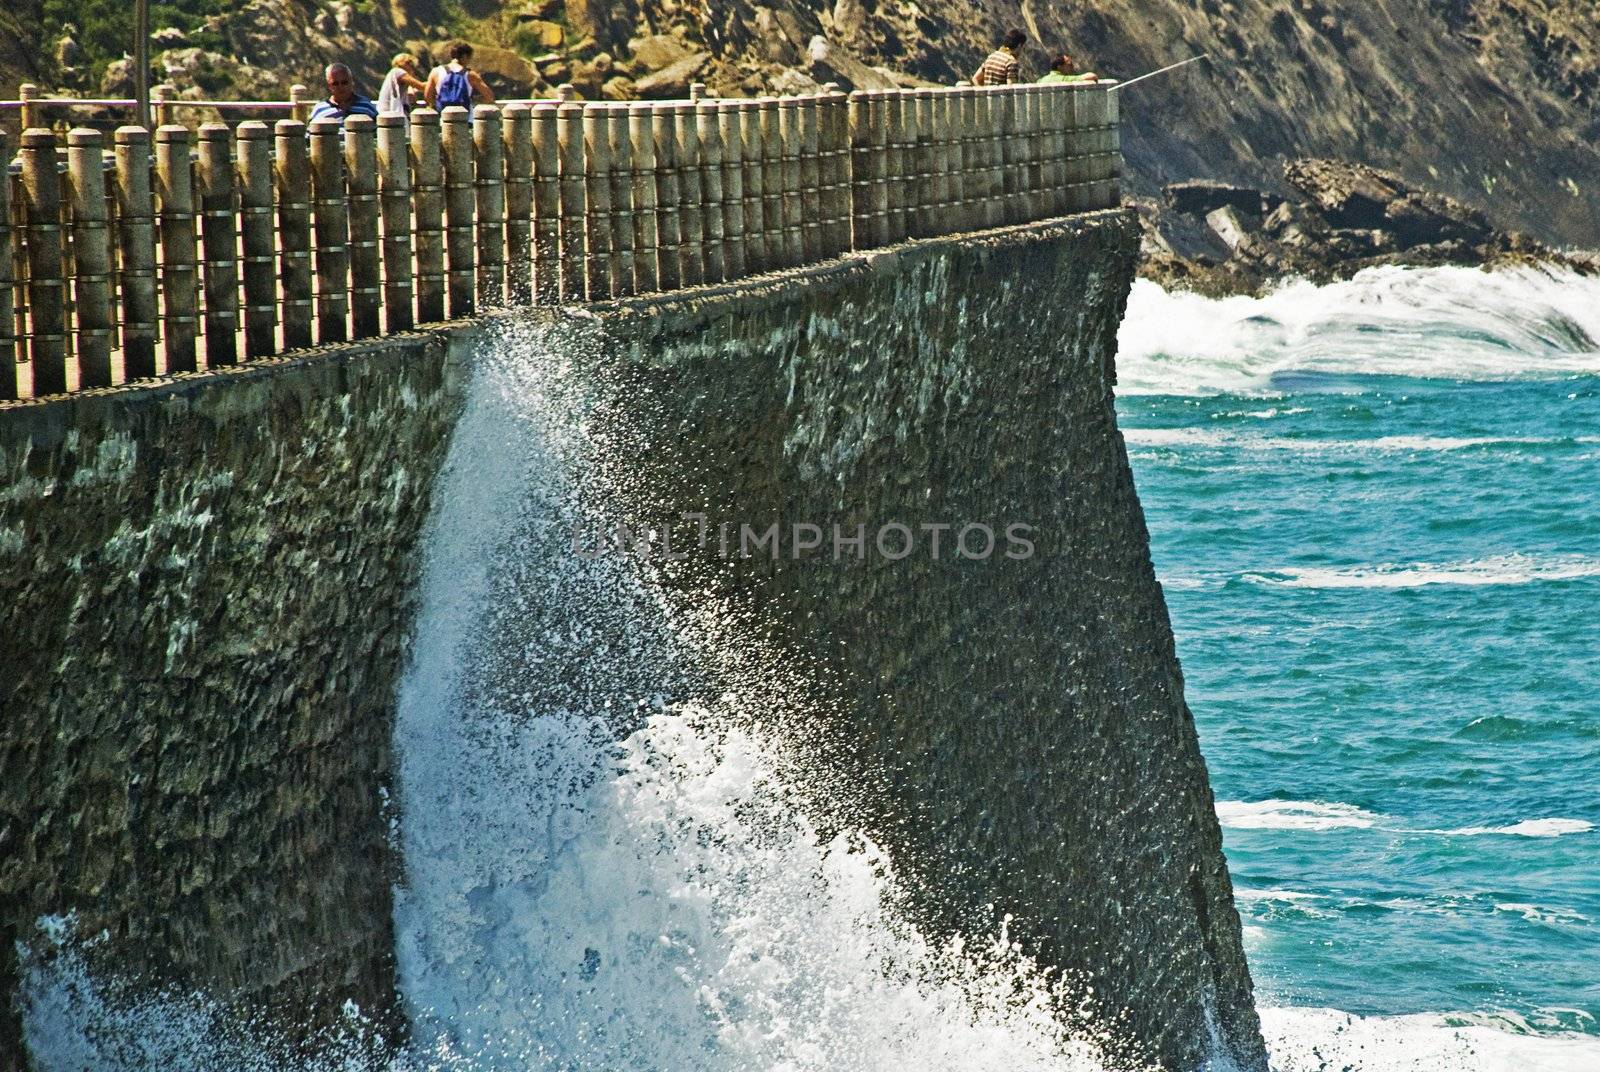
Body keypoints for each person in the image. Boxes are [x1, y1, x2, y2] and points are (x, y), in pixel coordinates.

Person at [425, 42, 496, 114]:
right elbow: (489, 97)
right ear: (465, 56)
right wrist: (474, 100)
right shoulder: (470, 75)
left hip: (444, 118)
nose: (469, 61)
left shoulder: (436, 72)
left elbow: (428, 97)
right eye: (469, 58)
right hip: (465, 119)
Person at [309, 63, 379, 124]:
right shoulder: (319, 110)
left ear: (351, 82)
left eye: (344, 82)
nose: (340, 87)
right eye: (335, 83)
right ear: (329, 86)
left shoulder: (367, 107)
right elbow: (309, 137)